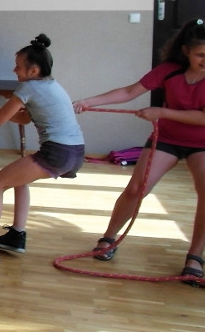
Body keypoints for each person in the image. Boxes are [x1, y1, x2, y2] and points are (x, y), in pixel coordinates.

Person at [74, 19, 205, 284]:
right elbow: (129, 91)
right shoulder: (168, 71)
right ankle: (109, 238)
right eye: (201, 54)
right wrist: (89, 101)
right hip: (166, 139)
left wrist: (162, 112)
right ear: (186, 51)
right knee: (136, 189)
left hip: (201, 143)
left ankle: (195, 256)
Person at [0, 34, 84, 264]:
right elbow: (23, 118)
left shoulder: (28, 87)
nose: (15, 70)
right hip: (74, 152)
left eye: (18, 66)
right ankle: (16, 236)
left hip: (57, 151)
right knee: (19, 180)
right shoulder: (52, 85)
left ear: (33, 71)